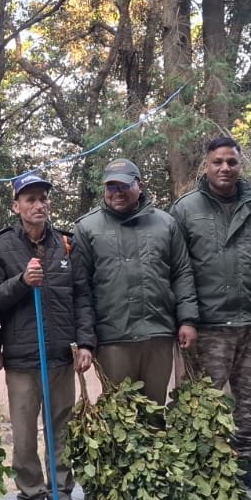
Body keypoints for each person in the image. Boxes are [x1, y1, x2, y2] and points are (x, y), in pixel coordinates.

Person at [171, 137, 251, 492]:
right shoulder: (186, 209)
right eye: (218, 162)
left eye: (232, 162)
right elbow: (178, 268)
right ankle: (205, 467)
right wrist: (186, 318)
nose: (225, 168)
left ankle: (246, 461)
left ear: (240, 165)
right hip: (208, 324)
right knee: (205, 400)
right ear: (206, 166)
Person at [0, 170, 97, 500]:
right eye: (30, 199)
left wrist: (85, 343)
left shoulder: (66, 244)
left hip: (60, 354)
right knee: (23, 435)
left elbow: (82, 297)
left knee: (61, 430)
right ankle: (31, 498)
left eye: (43, 198)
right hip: (22, 359)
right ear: (16, 206)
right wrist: (22, 282)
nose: (39, 205)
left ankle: (61, 496)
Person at [71, 157, 198, 404]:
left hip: (158, 335)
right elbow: (81, 290)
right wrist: (86, 340)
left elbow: (182, 273)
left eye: (124, 186)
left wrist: (187, 320)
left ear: (139, 185)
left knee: (154, 411)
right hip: (113, 338)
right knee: (120, 414)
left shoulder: (166, 224)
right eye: (111, 187)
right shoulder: (86, 228)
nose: (117, 192)